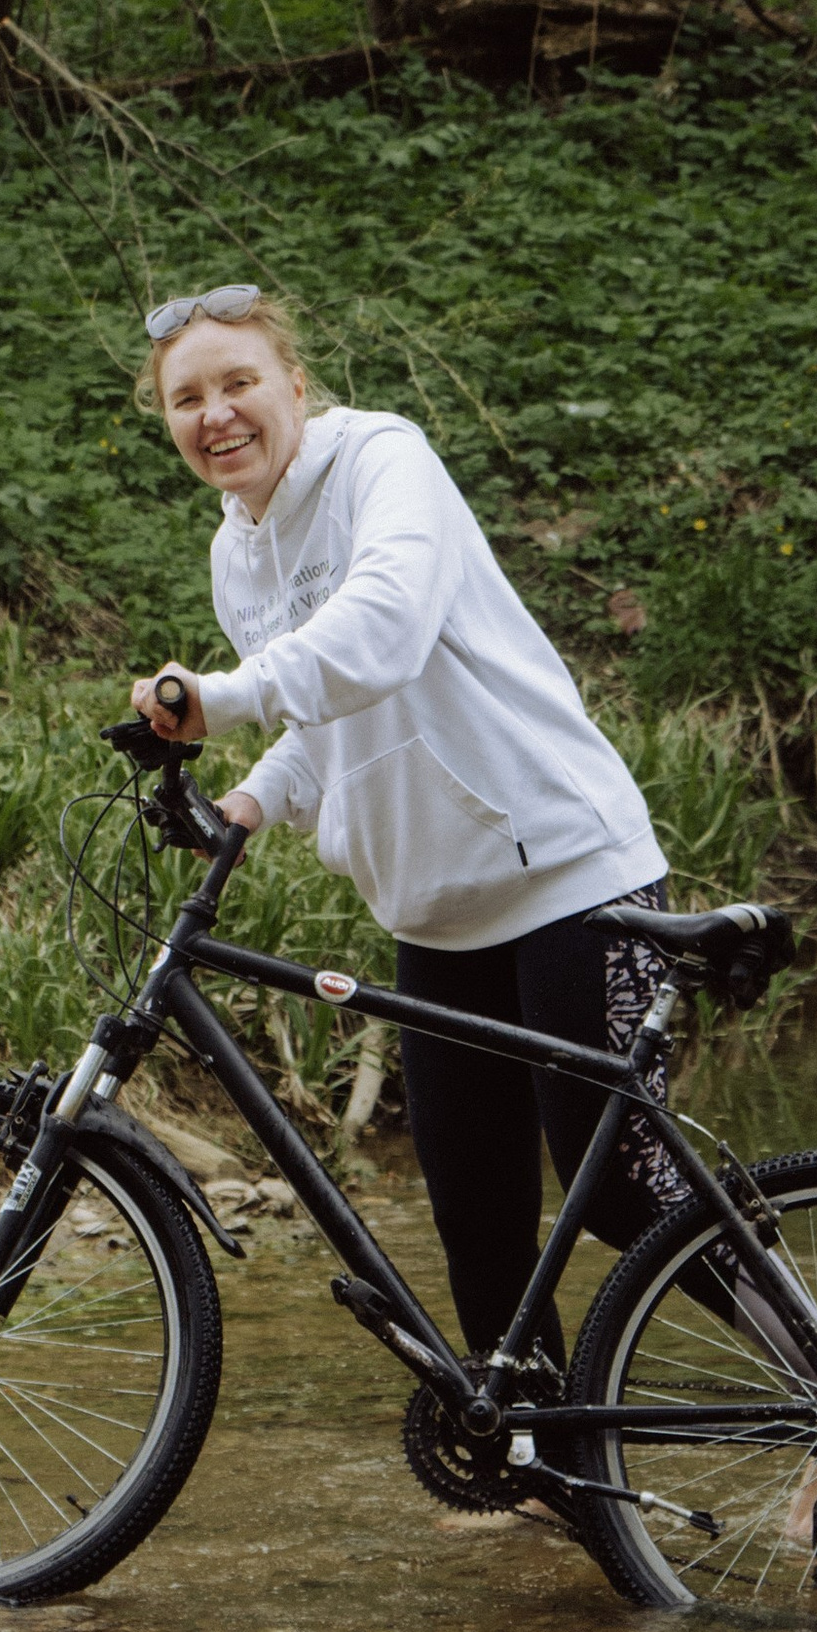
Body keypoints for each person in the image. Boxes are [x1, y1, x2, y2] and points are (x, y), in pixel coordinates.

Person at [127, 281, 685, 1379]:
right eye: (187, 398)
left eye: (238, 382)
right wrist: (254, 795)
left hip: (570, 873)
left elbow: (380, 630)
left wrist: (224, 697)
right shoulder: (234, 550)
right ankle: (536, 1474)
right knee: (478, 1223)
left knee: (617, 1186)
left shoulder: (386, 460)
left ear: (294, 383)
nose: (216, 413)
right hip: (432, 909)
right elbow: (326, 715)